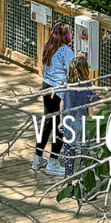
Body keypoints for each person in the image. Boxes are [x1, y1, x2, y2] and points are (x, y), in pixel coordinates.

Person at [32, 21, 74, 176]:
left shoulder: (46, 47)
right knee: (60, 126)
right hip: (60, 93)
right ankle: (53, 162)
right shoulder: (66, 51)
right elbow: (72, 72)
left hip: (47, 88)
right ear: (65, 35)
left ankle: (37, 158)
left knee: (47, 122)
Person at [61, 55, 96, 177]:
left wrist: (62, 122)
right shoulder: (88, 88)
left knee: (69, 155)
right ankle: (83, 181)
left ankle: (68, 179)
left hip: (68, 124)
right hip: (83, 126)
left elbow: (63, 105)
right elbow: (90, 109)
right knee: (84, 155)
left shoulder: (66, 86)